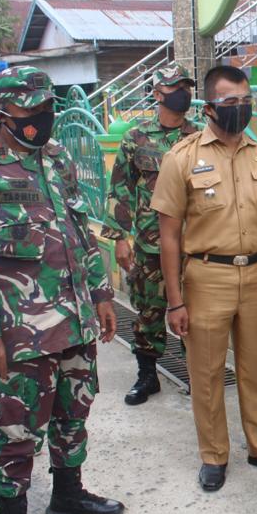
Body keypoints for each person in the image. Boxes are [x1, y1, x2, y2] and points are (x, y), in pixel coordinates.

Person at [0, 66, 123, 514]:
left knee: (75, 409)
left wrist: (103, 294)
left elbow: (80, 230)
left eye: (46, 110)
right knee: (16, 427)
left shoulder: (56, 157)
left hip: (74, 318)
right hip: (19, 329)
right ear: (2, 113)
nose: (40, 120)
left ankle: (68, 494)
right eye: (29, 112)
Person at [152, 64, 257, 493]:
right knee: (207, 373)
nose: (240, 109)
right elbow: (168, 236)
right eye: (230, 102)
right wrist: (175, 301)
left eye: (245, 101)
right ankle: (214, 455)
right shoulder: (181, 158)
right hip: (206, 278)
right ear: (210, 106)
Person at [101, 65, 199, 405]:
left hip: (195, 243)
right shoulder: (136, 138)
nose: (182, 93)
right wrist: (119, 239)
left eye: (186, 86)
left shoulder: (200, 137)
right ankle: (147, 375)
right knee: (148, 311)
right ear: (157, 93)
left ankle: (197, 373)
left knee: (197, 311)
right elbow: (120, 189)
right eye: (175, 87)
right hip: (149, 243)